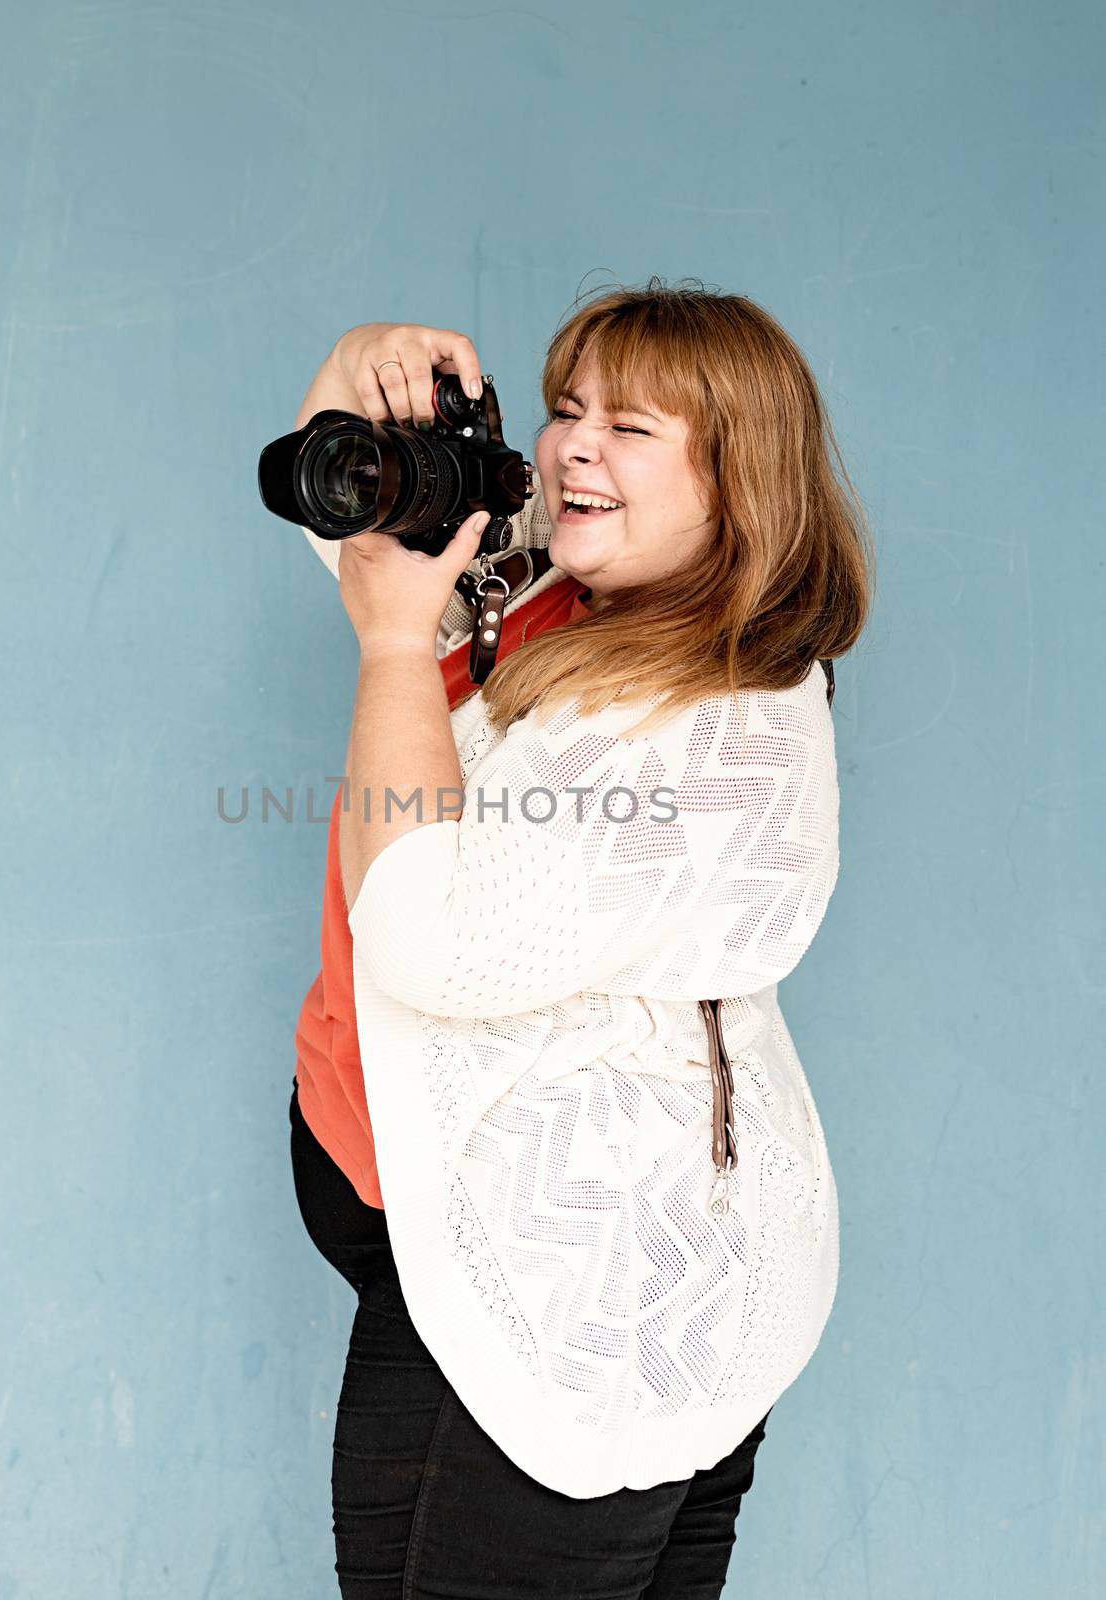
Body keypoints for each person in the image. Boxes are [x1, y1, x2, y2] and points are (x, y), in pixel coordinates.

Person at [287, 279, 875, 1598]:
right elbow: (349, 530)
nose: (571, 449)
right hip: (448, 1251)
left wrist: (391, 650)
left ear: (741, 482)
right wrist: (353, 365)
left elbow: (427, 941)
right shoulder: (561, 607)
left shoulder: (715, 726)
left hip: (595, 1299)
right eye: (565, 412)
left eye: (632, 427)